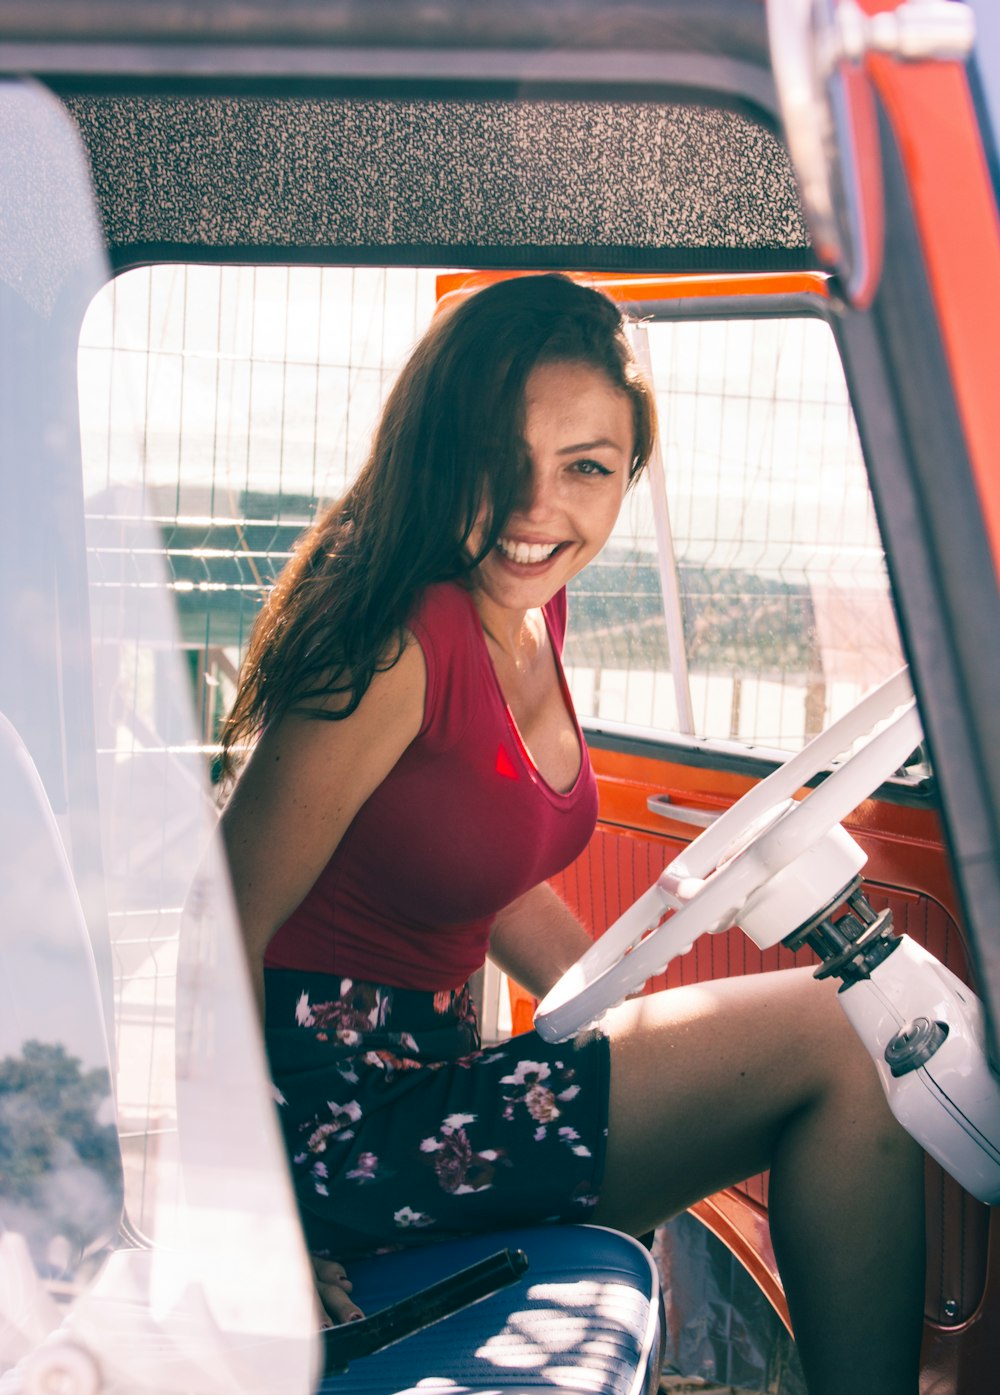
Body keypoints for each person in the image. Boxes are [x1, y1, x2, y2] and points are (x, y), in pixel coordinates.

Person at [219, 274, 924, 1395]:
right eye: (496, 456)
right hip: (338, 1131)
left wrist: (627, 1025)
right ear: (431, 449)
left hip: (431, 1083)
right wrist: (243, 1221)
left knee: (818, 1033)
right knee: (835, 1038)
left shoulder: (526, 599)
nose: (534, 507)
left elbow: (473, 867)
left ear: (628, 477)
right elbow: (210, 930)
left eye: (585, 467)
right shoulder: (394, 639)